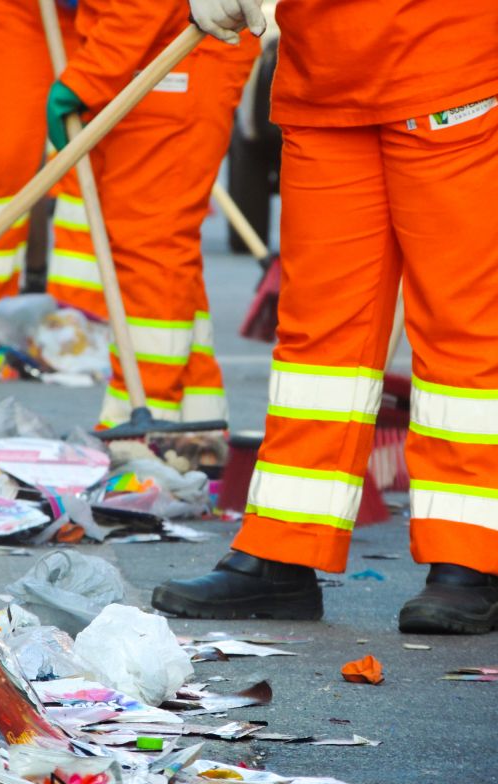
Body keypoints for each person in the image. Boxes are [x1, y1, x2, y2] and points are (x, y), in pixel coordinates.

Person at [151, 0, 498, 634]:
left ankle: (471, 556)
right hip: (324, 74)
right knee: (318, 341)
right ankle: (284, 547)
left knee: (462, 326)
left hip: (445, 62)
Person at [46, 0, 260, 428]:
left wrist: (87, 79)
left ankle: (144, 417)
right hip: (164, 49)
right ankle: (195, 420)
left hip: (177, 51)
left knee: (151, 243)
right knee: (165, 240)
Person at [0, 0, 101, 312]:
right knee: (4, 157)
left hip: (108, 21)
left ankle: (76, 322)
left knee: (88, 167)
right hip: (20, 14)